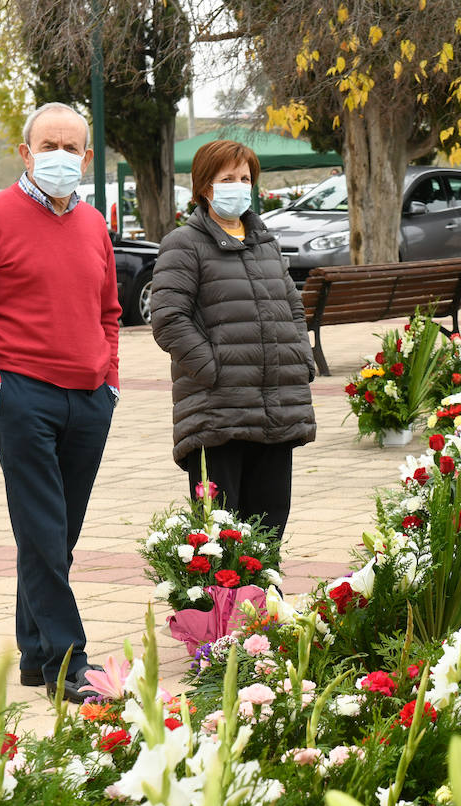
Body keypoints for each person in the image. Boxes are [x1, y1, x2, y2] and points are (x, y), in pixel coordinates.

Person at [0, 102, 121, 703]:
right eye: (49, 144)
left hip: (90, 400)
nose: (61, 156)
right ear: (25, 152)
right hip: (23, 397)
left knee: (57, 535)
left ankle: (33, 652)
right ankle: (67, 665)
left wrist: (111, 382)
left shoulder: (94, 224)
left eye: (72, 147)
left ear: (87, 157)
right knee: (44, 533)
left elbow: (109, 312)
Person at [151, 139, 316, 541]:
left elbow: (293, 307)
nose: (239, 186)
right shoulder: (184, 244)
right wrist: (215, 370)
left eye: (245, 178)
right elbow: (168, 319)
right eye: (228, 178)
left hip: (277, 410)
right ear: (205, 186)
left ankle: (264, 605)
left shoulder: (264, 241)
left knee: (268, 532)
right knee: (222, 538)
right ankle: (222, 608)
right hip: (218, 415)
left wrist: (302, 360)